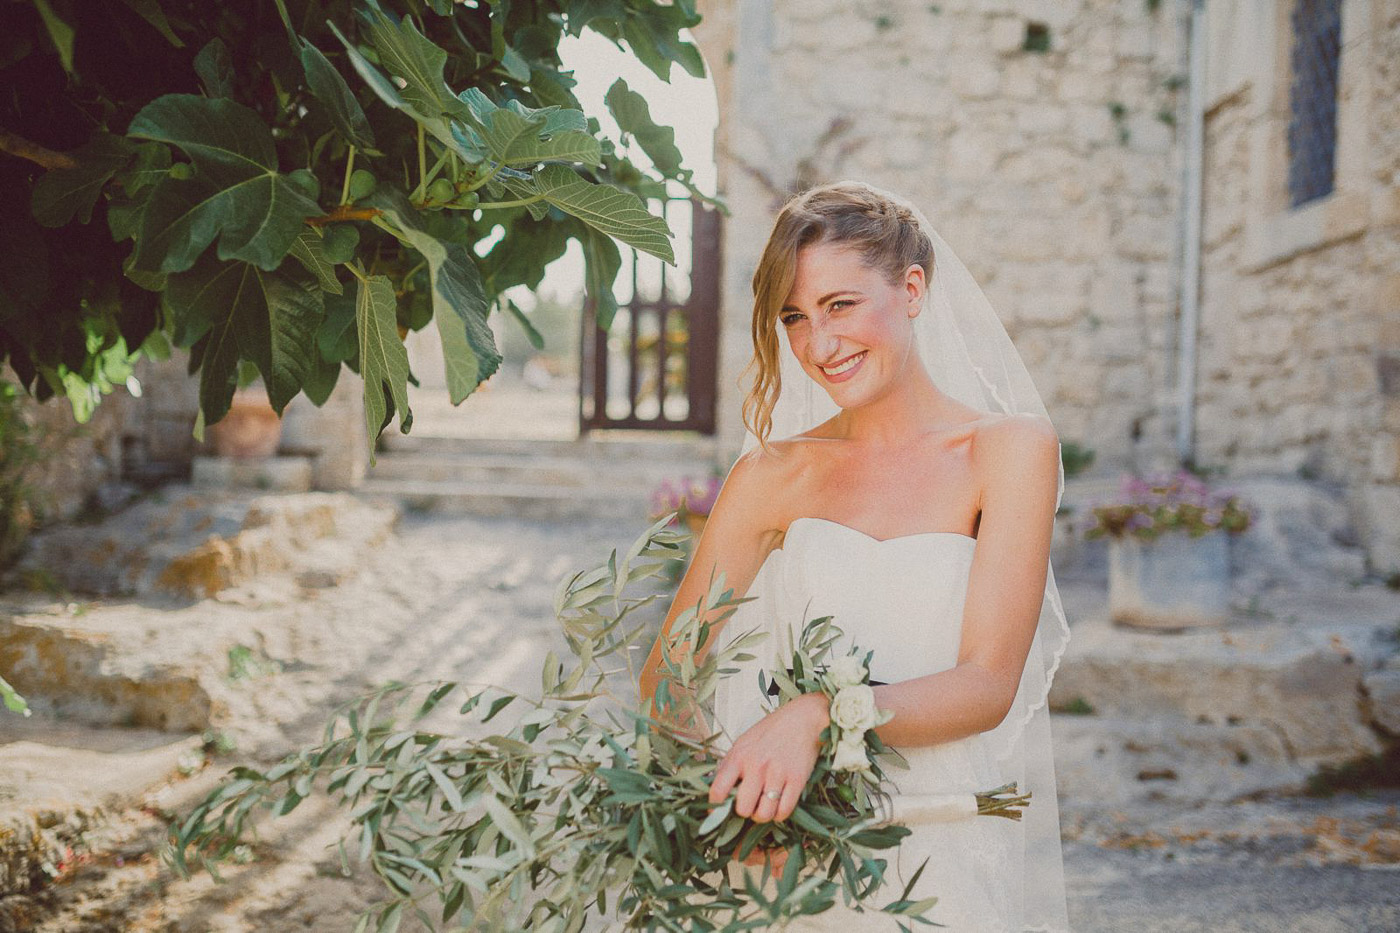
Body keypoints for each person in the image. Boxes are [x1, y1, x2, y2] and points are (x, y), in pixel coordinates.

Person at [638, 180, 1071, 932]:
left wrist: (818, 715)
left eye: (840, 305)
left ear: (911, 289)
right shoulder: (772, 473)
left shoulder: (1008, 453)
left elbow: (987, 681)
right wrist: (737, 806)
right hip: (783, 861)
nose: (818, 344)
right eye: (795, 318)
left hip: (937, 847)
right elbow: (667, 678)